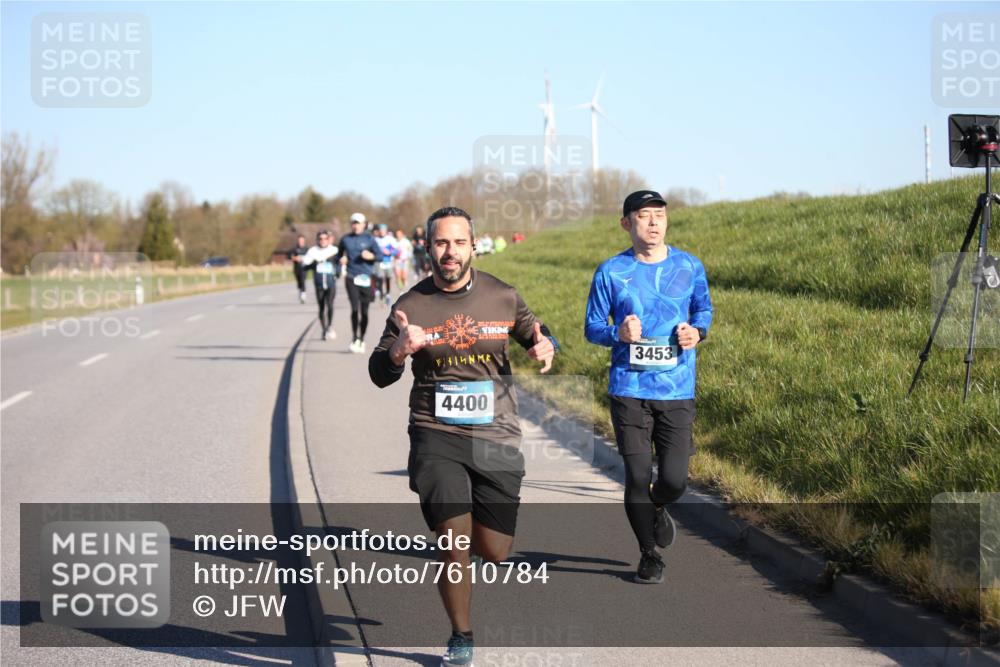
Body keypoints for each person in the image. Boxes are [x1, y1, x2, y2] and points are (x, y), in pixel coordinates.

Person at [369, 206, 558, 667]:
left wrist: (542, 341)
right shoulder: (408, 306)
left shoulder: (503, 296)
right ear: (428, 247)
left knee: (493, 551)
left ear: (473, 245)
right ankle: (461, 634)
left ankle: (473, 540)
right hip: (435, 432)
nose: (449, 252)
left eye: (457, 242)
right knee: (452, 542)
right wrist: (398, 351)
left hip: (496, 431)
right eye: (440, 243)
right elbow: (378, 372)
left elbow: (534, 328)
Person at [584, 190, 712, 585]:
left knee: (674, 480)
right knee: (637, 476)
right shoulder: (611, 271)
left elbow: (703, 309)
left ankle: (656, 508)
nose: (654, 223)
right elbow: (592, 328)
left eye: (660, 215)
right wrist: (617, 332)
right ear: (627, 223)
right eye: (644, 216)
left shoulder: (689, 266)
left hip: (676, 388)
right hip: (629, 388)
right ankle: (648, 554)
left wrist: (697, 332)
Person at [338, 213, 380, 353]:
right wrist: (341, 262)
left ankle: (362, 339)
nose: (356, 225)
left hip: (366, 278)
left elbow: (380, 255)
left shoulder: (370, 239)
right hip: (351, 277)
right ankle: (354, 337)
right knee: (355, 309)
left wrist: (371, 256)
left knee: (365, 311)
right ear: (351, 224)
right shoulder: (345, 239)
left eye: (358, 223)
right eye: (353, 223)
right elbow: (338, 256)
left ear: (364, 224)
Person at [299, 230, 340, 340]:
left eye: (325, 239)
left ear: (328, 239)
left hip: (331, 283)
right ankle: (324, 329)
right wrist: (313, 264)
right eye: (320, 239)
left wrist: (338, 271)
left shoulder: (334, 250)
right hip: (319, 284)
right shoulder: (312, 251)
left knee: (330, 305)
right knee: (321, 307)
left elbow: (339, 263)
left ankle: (330, 326)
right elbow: (304, 265)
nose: (322, 241)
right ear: (317, 240)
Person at [374, 223, 399, 305]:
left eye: (383, 230)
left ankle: (387, 294)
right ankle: (381, 292)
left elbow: (397, 251)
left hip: (388, 262)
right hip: (378, 262)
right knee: (380, 278)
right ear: (378, 231)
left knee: (388, 278)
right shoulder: (375, 240)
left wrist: (390, 252)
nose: (381, 232)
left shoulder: (390, 239)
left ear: (386, 231)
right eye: (380, 230)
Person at [289, 235, 308, 303]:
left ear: (304, 241)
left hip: (304, 268)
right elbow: (290, 256)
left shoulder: (307, 249)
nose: (300, 242)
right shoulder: (294, 249)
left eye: (302, 240)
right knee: (299, 282)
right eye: (299, 240)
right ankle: (301, 291)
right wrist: (295, 258)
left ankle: (303, 295)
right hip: (297, 268)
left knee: (303, 281)